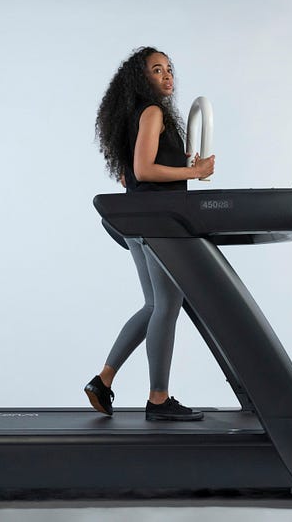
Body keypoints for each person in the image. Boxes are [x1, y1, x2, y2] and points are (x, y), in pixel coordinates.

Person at [85, 47, 215, 421]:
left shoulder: (138, 117)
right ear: (142, 79)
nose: (167, 75)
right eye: (157, 70)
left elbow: (131, 173)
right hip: (157, 224)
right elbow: (143, 171)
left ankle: (102, 380)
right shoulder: (153, 112)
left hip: (141, 222)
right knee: (167, 306)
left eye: (169, 68)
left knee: (154, 306)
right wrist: (195, 172)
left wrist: (181, 165)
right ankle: (158, 399)